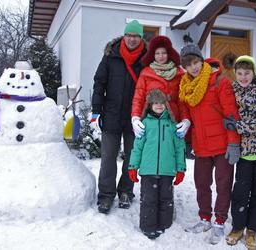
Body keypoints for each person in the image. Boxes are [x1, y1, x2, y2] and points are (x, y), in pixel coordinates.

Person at [179, 44, 240, 244]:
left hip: (222, 145)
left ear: (201, 60)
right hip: (202, 144)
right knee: (202, 184)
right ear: (185, 68)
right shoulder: (186, 86)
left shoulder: (220, 81)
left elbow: (231, 114)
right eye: (189, 65)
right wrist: (187, 133)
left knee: (223, 185)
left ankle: (220, 221)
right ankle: (204, 218)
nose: (194, 67)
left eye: (196, 62)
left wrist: (233, 143)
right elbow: (186, 111)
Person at [91, 20, 147, 214]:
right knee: (108, 158)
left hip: (135, 117)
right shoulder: (110, 56)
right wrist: (96, 110)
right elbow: (99, 83)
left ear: (141, 38)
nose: (132, 39)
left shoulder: (146, 60)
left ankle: (126, 191)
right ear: (124, 36)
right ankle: (106, 195)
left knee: (132, 158)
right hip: (112, 115)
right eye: (129, 35)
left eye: (136, 36)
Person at [128, 89, 186, 239]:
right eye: (155, 103)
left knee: (166, 200)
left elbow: (180, 148)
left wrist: (180, 169)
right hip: (148, 171)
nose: (159, 105)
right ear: (150, 105)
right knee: (148, 200)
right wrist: (133, 166)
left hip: (167, 171)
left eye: (162, 103)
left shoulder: (172, 125)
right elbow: (137, 148)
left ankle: (165, 226)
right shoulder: (145, 124)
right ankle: (148, 227)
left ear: (166, 105)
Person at [223, 56, 256, 250]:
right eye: (239, 73)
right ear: (235, 73)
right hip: (244, 154)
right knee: (240, 192)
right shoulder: (232, 90)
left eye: (247, 73)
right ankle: (238, 227)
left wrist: (239, 125)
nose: (243, 77)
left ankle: (253, 230)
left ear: (253, 73)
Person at [131, 35, 192, 156]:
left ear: (169, 53)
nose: (160, 56)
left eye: (163, 52)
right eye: (157, 53)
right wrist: (135, 118)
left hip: (172, 122)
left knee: (170, 155)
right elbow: (139, 98)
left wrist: (186, 120)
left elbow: (182, 101)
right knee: (152, 154)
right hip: (151, 121)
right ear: (153, 55)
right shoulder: (146, 73)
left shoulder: (179, 73)